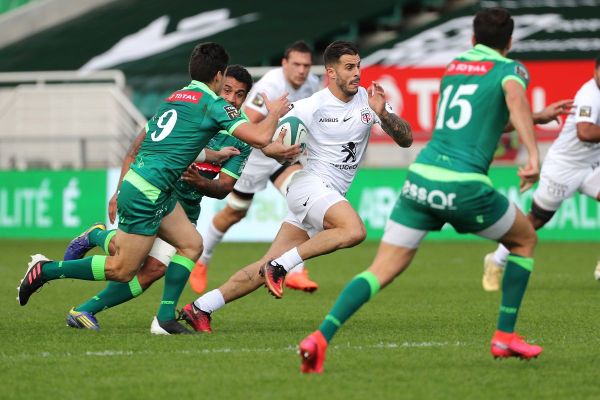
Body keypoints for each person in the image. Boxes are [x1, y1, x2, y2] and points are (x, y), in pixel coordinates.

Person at [298, 8, 545, 374]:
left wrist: (535, 118)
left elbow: (481, 119)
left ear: (472, 40)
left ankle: (319, 338)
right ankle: (505, 335)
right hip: (463, 185)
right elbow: (513, 98)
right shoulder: (511, 70)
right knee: (524, 241)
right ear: (509, 42)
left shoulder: (456, 67)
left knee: (380, 269)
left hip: (420, 180)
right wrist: (533, 154)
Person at [17, 43, 291, 335]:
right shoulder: (212, 104)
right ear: (219, 75)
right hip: (149, 190)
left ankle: (163, 319)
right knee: (123, 269)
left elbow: (171, 144)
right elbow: (261, 137)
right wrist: (273, 113)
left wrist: (214, 156)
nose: (232, 98)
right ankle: (46, 270)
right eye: (228, 88)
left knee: (192, 244)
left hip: (156, 189)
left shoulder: (177, 97)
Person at [179, 40, 413, 334]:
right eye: (349, 67)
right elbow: (269, 142)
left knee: (263, 265)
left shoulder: (370, 100)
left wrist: (384, 114)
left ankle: (201, 308)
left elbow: (406, 139)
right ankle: (282, 267)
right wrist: (277, 151)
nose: (357, 73)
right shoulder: (311, 106)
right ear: (331, 72)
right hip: (310, 186)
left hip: (326, 195)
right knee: (354, 231)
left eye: (359, 66)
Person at [61, 65, 254, 332]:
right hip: (158, 196)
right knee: (130, 260)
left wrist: (201, 182)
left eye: (240, 94)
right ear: (218, 83)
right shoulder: (191, 110)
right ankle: (93, 248)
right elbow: (134, 150)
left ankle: (86, 305)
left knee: (149, 268)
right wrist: (118, 192)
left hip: (186, 210)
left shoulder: (241, 135)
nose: (232, 98)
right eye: (228, 90)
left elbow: (224, 187)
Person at [190, 40, 321, 294]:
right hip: (254, 158)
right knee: (234, 213)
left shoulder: (312, 85)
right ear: (284, 63)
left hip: (282, 159)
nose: (302, 70)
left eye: (306, 65)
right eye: (296, 64)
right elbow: (247, 123)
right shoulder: (271, 86)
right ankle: (202, 261)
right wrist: (270, 144)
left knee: (304, 199)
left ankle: (296, 271)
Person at [483, 57, 600, 290]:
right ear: (596, 70)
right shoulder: (590, 95)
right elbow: (585, 132)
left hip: (592, 166)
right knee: (535, 221)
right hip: (564, 167)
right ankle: (495, 261)